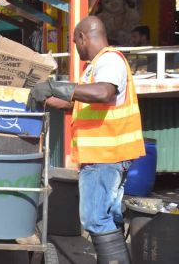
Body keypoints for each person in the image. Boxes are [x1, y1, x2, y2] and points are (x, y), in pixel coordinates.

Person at [30, 16, 144, 264]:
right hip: (106, 155)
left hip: (105, 156)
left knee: (94, 218)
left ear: (83, 37)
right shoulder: (94, 67)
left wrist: (53, 87)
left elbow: (103, 93)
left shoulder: (110, 60)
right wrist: (44, 96)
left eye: (74, 42)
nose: (76, 48)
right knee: (108, 216)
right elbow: (75, 100)